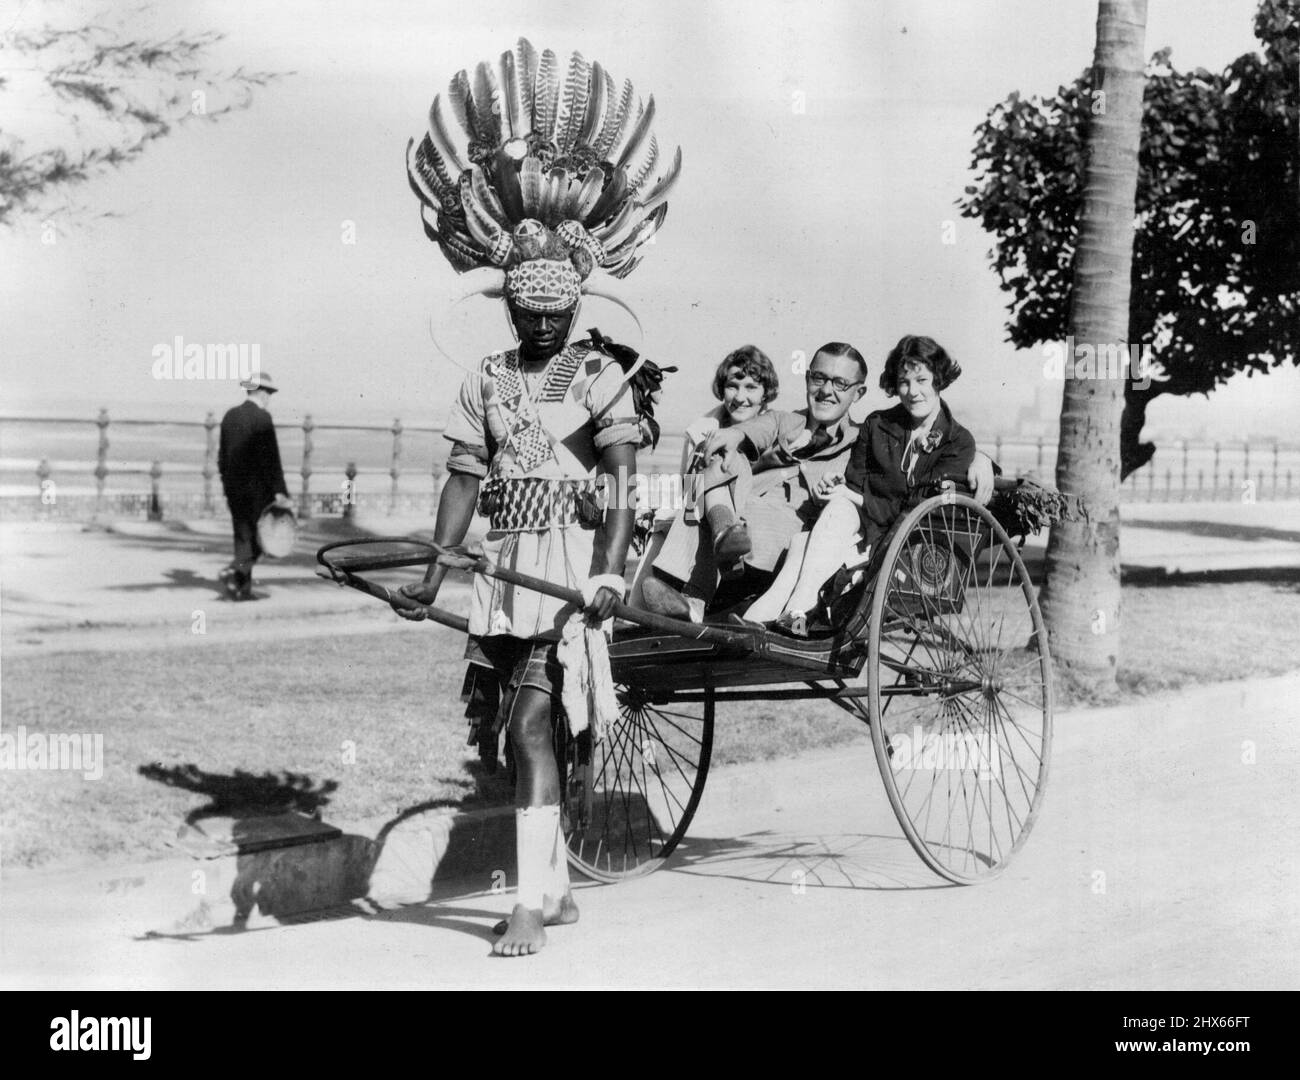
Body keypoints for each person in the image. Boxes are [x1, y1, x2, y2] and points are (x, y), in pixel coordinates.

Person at [393, 38, 680, 957]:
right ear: (508, 303)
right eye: (528, 312)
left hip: (572, 572)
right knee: (525, 728)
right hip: (507, 570)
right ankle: (551, 888)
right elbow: (465, 477)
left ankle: (527, 903)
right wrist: (435, 564)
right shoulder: (485, 377)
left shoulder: (601, 374)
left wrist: (606, 576)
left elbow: (624, 480)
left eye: (556, 313)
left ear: (576, 304)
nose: (543, 324)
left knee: (530, 720)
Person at [644, 343, 995, 623]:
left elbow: (934, 452)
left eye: (840, 384)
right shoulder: (782, 420)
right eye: (818, 379)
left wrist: (981, 459)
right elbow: (752, 430)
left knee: (708, 490)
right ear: (807, 380)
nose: (827, 391)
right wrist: (733, 435)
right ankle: (713, 558)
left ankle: (697, 591)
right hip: (734, 529)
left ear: (858, 393)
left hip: (776, 545)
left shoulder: (865, 437)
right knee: (723, 456)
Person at [764, 335, 976, 636]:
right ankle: (761, 626)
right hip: (858, 528)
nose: (912, 392)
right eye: (903, 382)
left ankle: (785, 615)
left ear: (938, 380)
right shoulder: (878, 424)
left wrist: (856, 497)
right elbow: (855, 481)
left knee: (815, 539)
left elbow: (918, 508)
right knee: (809, 537)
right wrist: (838, 486)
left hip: (902, 541)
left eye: (922, 380)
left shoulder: (958, 441)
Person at [629, 345, 778, 610]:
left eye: (751, 387)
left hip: (752, 524)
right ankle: (645, 614)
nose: (740, 397)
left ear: (766, 394)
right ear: (722, 388)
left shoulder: (771, 432)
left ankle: (694, 597)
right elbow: (687, 489)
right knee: (670, 522)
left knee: (716, 467)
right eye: (733, 386)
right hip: (699, 516)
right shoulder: (702, 431)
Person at [217, 371, 292, 601]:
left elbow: (222, 456)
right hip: (258, 490)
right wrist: (281, 491)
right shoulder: (263, 418)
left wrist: (226, 482)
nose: (269, 397)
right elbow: (272, 459)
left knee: (242, 536)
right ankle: (236, 570)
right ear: (260, 392)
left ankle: (240, 589)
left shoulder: (230, 416)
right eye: (268, 392)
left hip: (234, 488)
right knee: (262, 538)